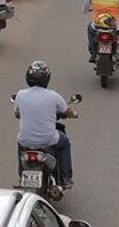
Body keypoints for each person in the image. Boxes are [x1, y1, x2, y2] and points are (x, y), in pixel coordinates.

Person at [14, 61, 78, 190]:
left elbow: (17, 113)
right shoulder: (53, 96)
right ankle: (65, 178)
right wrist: (74, 114)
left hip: (26, 140)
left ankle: (22, 175)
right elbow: (67, 111)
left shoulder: (20, 95)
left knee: (21, 144)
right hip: (49, 140)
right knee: (65, 143)